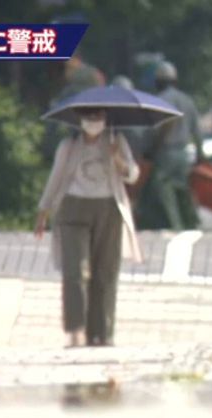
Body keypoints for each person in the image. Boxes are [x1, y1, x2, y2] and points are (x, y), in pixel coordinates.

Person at [35, 107, 142, 347]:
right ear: (80, 120)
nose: (93, 122)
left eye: (98, 117)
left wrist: (117, 158)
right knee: (75, 271)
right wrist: (44, 210)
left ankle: (102, 332)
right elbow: (56, 177)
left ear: (106, 119)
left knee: (105, 273)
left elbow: (132, 175)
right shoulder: (69, 145)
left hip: (108, 208)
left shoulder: (116, 141)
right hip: (73, 208)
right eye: (89, 117)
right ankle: (75, 329)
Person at [136, 61, 205, 230]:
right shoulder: (187, 100)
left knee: (162, 188)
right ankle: (190, 221)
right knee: (182, 187)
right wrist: (200, 154)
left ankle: (174, 224)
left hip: (165, 152)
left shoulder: (158, 101)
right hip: (183, 153)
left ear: (158, 81)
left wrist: (147, 151)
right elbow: (197, 130)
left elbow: (153, 131)